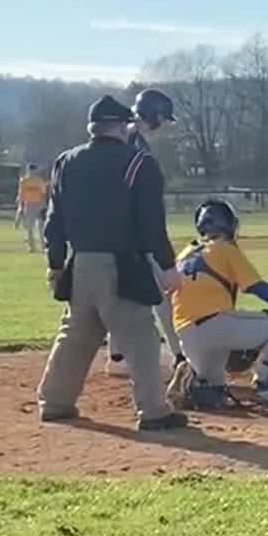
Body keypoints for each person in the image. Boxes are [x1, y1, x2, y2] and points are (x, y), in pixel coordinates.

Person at [37, 95, 187, 431]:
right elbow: (151, 224)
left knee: (76, 335)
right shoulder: (139, 163)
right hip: (121, 266)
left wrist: (56, 263)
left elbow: (54, 221)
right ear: (121, 126)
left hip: (81, 265)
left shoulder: (66, 161)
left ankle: (54, 402)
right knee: (142, 339)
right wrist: (168, 267)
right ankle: (154, 411)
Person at [167, 199, 268, 411]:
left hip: (187, 336)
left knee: (212, 392)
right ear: (229, 225)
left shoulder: (185, 254)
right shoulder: (225, 248)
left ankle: (193, 378)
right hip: (216, 326)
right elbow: (256, 286)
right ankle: (267, 388)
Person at [106, 87, 182, 378]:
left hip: (116, 233)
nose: (163, 126)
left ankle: (117, 357)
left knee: (118, 296)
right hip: (137, 234)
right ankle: (180, 357)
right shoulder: (135, 144)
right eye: (162, 119)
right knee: (162, 294)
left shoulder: (124, 135)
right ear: (153, 116)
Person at [15, 163, 48, 251]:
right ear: (28, 170)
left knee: (41, 226)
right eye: (31, 170)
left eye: (34, 170)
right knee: (30, 227)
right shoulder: (24, 181)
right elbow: (21, 194)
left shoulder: (39, 181)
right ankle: (32, 246)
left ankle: (43, 245)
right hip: (29, 205)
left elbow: (43, 194)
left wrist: (44, 206)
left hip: (39, 205)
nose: (32, 172)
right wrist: (20, 207)